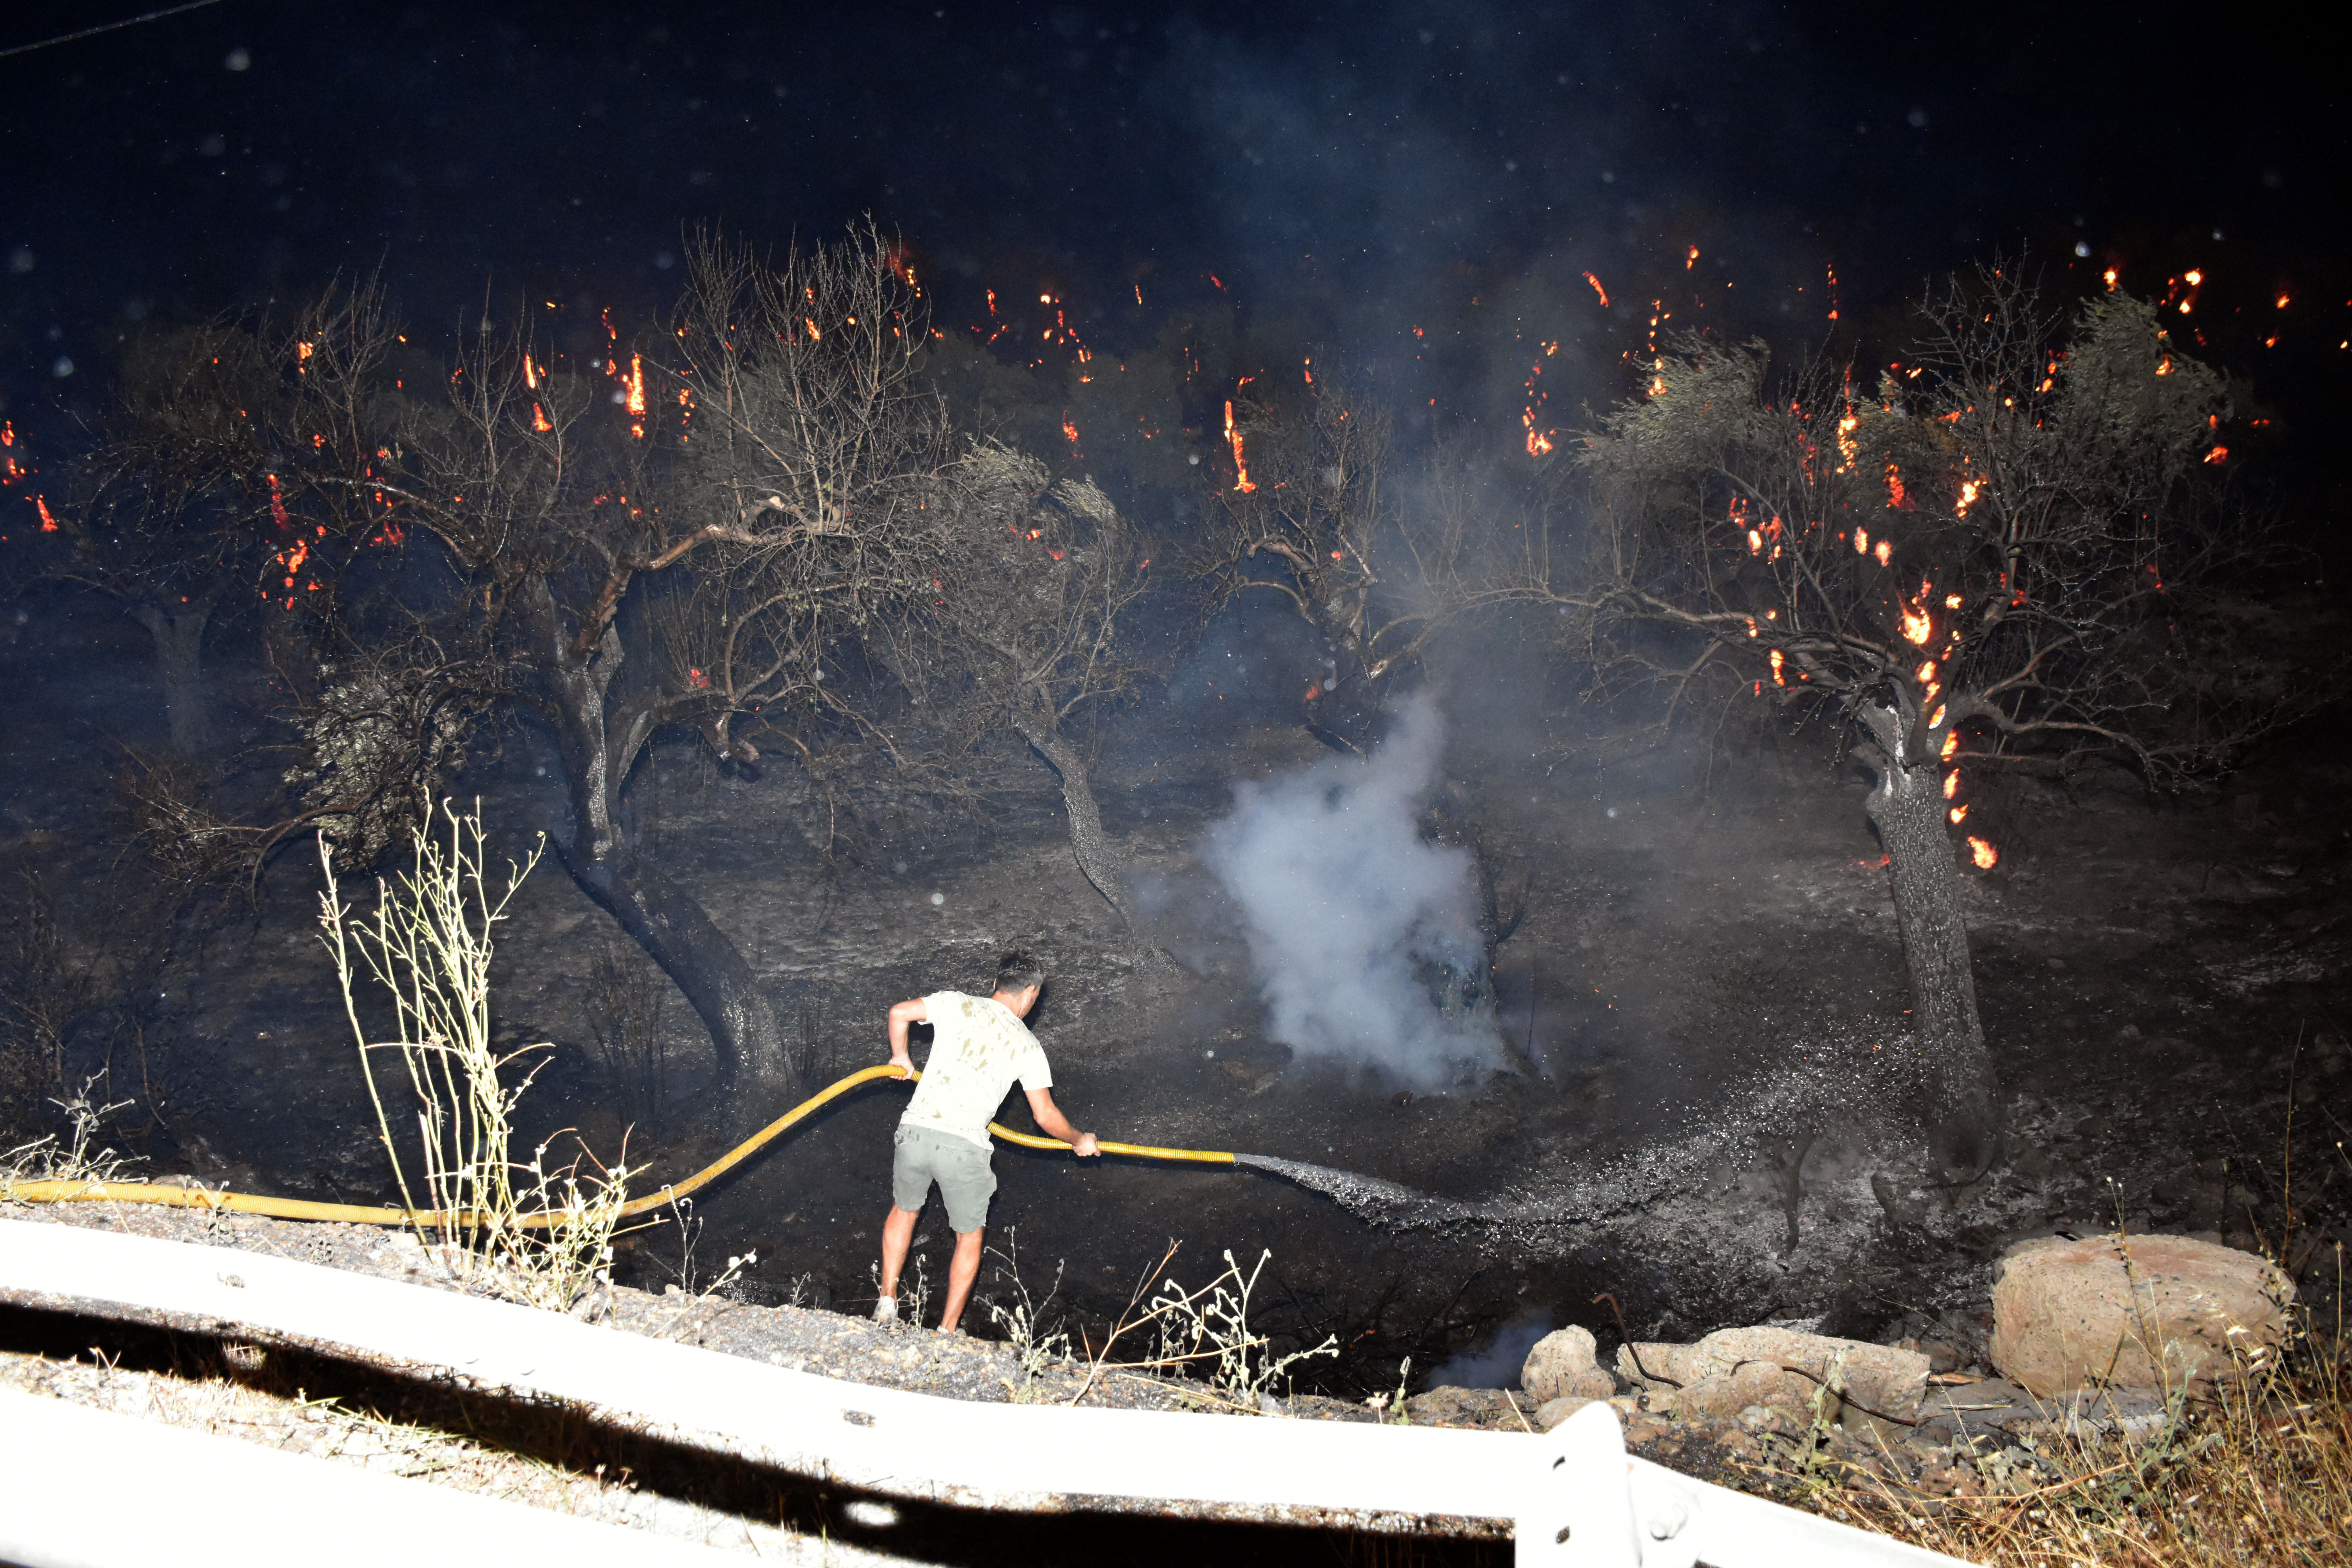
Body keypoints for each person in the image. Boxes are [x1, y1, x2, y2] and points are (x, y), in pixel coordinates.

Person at [873, 949, 1097, 1332]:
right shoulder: (1027, 1044)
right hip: (964, 1148)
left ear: (995, 983)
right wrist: (1079, 1139)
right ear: (1032, 992)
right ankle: (947, 1331)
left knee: (905, 1211)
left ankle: (887, 1302)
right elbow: (1045, 1116)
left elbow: (899, 1013)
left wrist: (901, 1057)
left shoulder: (955, 1003)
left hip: (916, 1132)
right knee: (969, 1236)